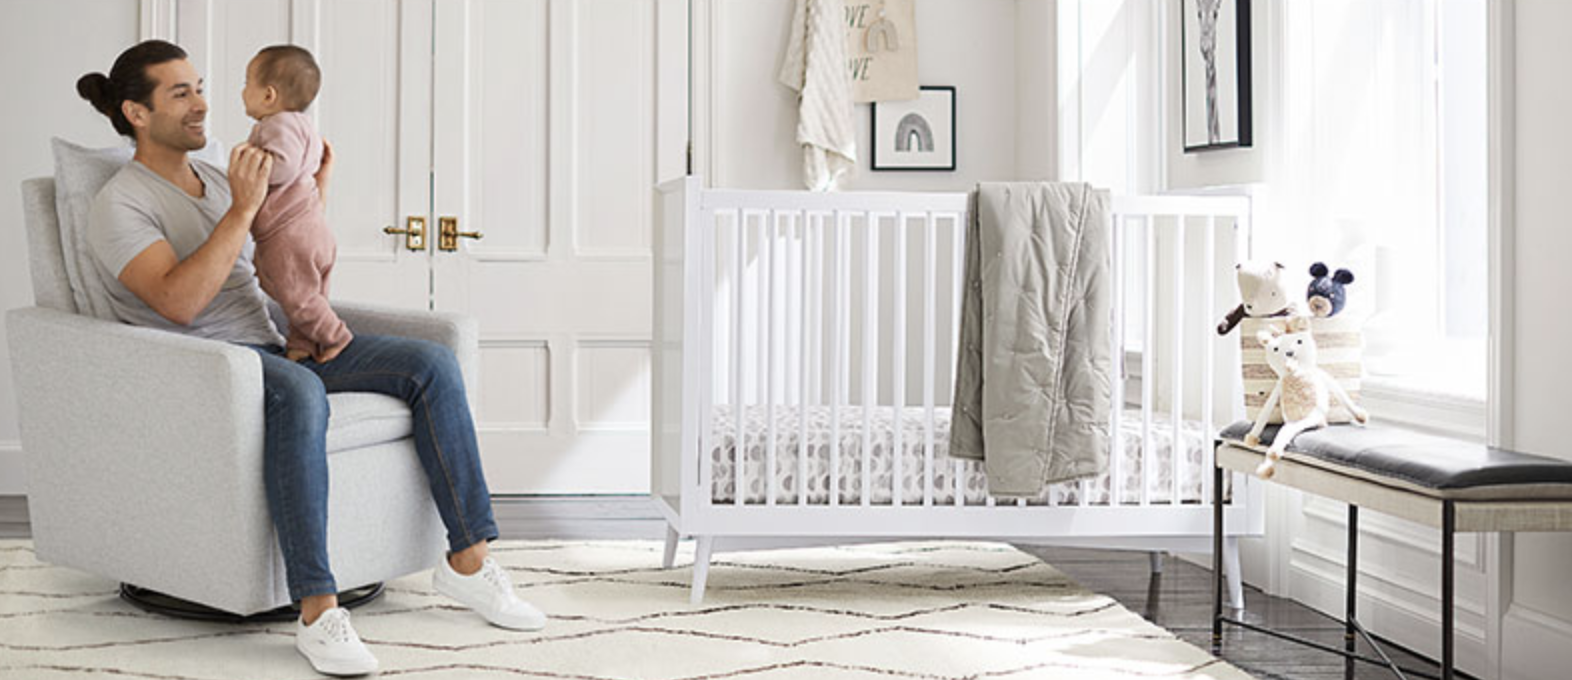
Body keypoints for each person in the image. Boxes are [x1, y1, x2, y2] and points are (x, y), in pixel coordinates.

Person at [76, 39, 543, 677]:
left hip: (274, 345)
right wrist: (243, 208)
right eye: (180, 93)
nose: (202, 104)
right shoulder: (121, 203)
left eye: (201, 87)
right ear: (136, 113)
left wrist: (312, 187)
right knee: (299, 391)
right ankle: (319, 612)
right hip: (205, 367)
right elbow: (178, 302)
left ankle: (467, 561)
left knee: (430, 364)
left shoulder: (220, 177)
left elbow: (284, 244)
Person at [240, 44, 351, 364]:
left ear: (268, 95)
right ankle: (303, 345)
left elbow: (285, 167)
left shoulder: (276, 125)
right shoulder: (305, 126)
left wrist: (254, 164)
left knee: (296, 296)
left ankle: (336, 335)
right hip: (312, 228)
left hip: (288, 233)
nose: (242, 90)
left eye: (247, 82)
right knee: (311, 294)